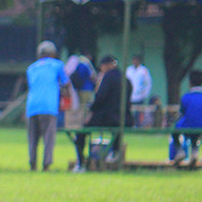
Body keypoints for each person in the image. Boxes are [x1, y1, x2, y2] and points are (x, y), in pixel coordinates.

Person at [77, 55, 132, 169]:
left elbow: (100, 98)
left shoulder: (107, 77)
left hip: (108, 117)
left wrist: (91, 111)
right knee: (117, 131)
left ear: (106, 65)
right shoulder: (126, 79)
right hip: (125, 118)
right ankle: (115, 152)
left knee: (82, 132)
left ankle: (81, 162)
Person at [26, 41, 68, 171]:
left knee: (33, 138)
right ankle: (46, 164)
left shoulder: (31, 68)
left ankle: (32, 164)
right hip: (49, 106)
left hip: (32, 106)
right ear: (53, 54)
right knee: (48, 138)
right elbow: (66, 82)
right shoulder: (57, 65)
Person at [171, 69, 202, 165]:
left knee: (175, 131)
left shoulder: (186, 97)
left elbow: (183, 112)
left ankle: (180, 151)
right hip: (201, 125)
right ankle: (194, 152)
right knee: (196, 130)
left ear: (190, 83)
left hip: (188, 125)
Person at [125, 54, 152, 127]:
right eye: (134, 60)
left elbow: (147, 83)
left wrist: (144, 94)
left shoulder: (144, 71)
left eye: (136, 60)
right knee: (129, 112)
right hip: (130, 96)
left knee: (138, 113)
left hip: (139, 96)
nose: (135, 61)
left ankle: (138, 125)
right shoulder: (128, 70)